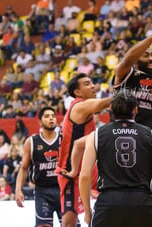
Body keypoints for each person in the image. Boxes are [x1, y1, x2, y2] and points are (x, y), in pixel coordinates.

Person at [78, 90, 152, 226]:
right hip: (141, 202)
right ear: (135, 109)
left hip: (108, 203)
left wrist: (87, 211)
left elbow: (84, 177)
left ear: (110, 108)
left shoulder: (95, 135)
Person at [56, 73, 112, 227]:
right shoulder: (80, 106)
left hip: (84, 169)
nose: (93, 86)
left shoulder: (82, 107)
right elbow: (103, 104)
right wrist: (126, 91)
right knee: (69, 222)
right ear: (77, 92)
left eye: (92, 82)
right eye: (87, 84)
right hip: (71, 173)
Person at [15, 107, 62, 226]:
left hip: (64, 189)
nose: (51, 118)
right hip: (43, 191)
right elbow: (24, 168)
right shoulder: (31, 142)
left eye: (53, 115)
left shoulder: (64, 138)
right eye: (47, 116)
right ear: (40, 122)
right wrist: (18, 189)